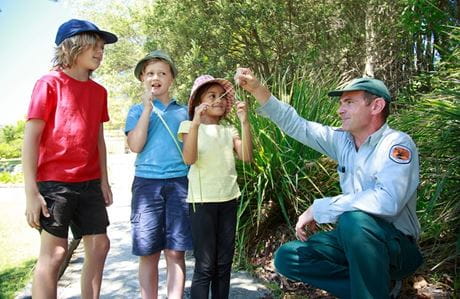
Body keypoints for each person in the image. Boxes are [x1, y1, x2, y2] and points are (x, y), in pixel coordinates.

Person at [234, 68, 423, 299]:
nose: (340, 109)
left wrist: (320, 208)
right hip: (352, 240)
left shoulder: (396, 144)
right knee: (288, 256)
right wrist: (256, 89)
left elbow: (388, 200)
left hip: (396, 247)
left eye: (349, 102)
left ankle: (374, 288)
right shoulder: (342, 140)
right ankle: (377, 288)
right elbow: (297, 125)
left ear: (376, 106)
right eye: (341, 103)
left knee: (354, 219)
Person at [22, 19, 117, 299]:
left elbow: (97, 138)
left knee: (100, 246)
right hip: (54, 183)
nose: (101, 52)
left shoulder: (99, 92)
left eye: (102, 48)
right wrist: (31, 191)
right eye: (95, 46)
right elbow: (31, 137)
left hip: (89, 182)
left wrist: (104, 181)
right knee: (55, 255)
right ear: (73, 46)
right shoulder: (49, 83)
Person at [125, 50, 193, 299]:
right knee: (148, 251)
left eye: (162, 73)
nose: (156, 77)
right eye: (150, 73)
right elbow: (135, 146)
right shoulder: (135, 111)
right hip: (146, 185)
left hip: (179, 183)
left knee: (176, 251)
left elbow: (192, 149)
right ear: (143, 78)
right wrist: (146, 109)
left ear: (171, 79)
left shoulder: (185, 112)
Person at [178, 75, 253, 298]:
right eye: (212, 96)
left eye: (222, 96)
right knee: (205, 264)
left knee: (224, 263)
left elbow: (247, 156)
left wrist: (244, 121)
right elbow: (189, 159)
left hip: (229, 200)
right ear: (199, 102)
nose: (219, 100)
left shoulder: (229, 131)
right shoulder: (189, 126)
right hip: (201, 202)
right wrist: (195, 124)